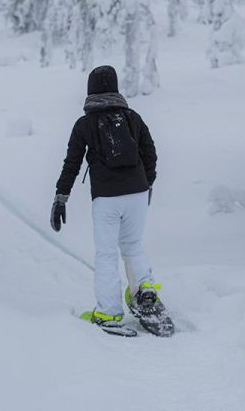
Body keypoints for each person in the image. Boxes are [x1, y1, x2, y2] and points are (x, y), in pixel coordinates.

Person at [51, 65, 161, 333]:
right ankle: (144, 289)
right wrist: (146, 185)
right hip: (137, 192)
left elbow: (72, 164)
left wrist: (61, 198)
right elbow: (150, 154)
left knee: (107, 254)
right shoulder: (132, 117)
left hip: (107, 198)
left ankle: (109, 313)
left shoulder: (84, 124)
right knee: (133, 246)